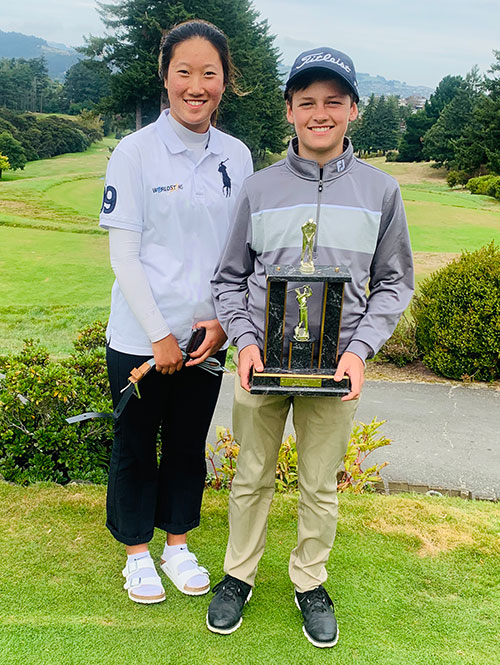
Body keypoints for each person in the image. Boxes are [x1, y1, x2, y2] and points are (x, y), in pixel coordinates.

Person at [207, 46, 414, 646]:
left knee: (321, 484)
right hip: (261, 366)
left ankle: (309, 580)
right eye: (306, 102)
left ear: (353, 109)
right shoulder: (259, 187)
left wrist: (360, 351)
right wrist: (244, 342)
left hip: (336, 369)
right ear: (290, 112)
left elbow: (395, 281)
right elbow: (228, 278)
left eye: (332, 101)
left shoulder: (381, 191)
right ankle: (238, 576)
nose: (319, 113)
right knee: (250, 477)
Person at [99, 19, 253, 604]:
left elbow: (236, 250)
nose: (196, 85)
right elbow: (124, 254)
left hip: (205, 336)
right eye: (183, 71)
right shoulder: (134, 153)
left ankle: (177, 543)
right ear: (165, 77)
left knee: (188, 443)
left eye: (208, 73)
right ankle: (137, 552)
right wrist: (159, 334)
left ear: (223, 80)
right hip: (141, 336)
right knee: (137, 444)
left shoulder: (236, 156)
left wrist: (219, 320)